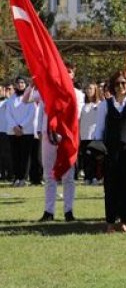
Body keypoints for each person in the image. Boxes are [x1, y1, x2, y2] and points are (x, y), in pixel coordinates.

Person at [34, 62, 85, 222]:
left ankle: (68, 211)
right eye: (64, 71)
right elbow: (29, 100)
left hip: (66, 138)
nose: (67, 74)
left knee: (68, 176)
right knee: (49, 175)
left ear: (73, 75)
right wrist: (33, 82)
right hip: (49, 136)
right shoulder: (47, 91)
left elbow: (76, 116)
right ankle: (49, 211)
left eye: (69, 71)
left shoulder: (77, 94)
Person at [94, 71, 126, 233]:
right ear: (112, 86)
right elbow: (99, 129)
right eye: (117, 83)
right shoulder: (104, 105)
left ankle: (124, 220)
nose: (120, 86)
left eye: (124, 83)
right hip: (110, 151)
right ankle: (109, 221)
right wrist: (98, 150)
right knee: (110, 187)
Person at [6, 76, 37, 187]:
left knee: (25, 156)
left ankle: (23, 177)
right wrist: (14, 126)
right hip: (13, 131)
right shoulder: (10, 99)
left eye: (23, 82)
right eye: (18, 83)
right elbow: (8, 114)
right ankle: (16, 177)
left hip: (26, 131)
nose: (20, 84)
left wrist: (21, 126)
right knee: (15, 155)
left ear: (26, 84)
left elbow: (32, 114)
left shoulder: (30, 97)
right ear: (15, 85)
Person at [80, 82, 104, 185]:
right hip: (84, 135)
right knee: (86, 158)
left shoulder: (99, 104)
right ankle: (87, 177)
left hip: (94, 135)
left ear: (95, 91)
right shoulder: (83, 105)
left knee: (94, 158)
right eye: (87, 89)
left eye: (91, 88)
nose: (88, 90)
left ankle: (95, 177)